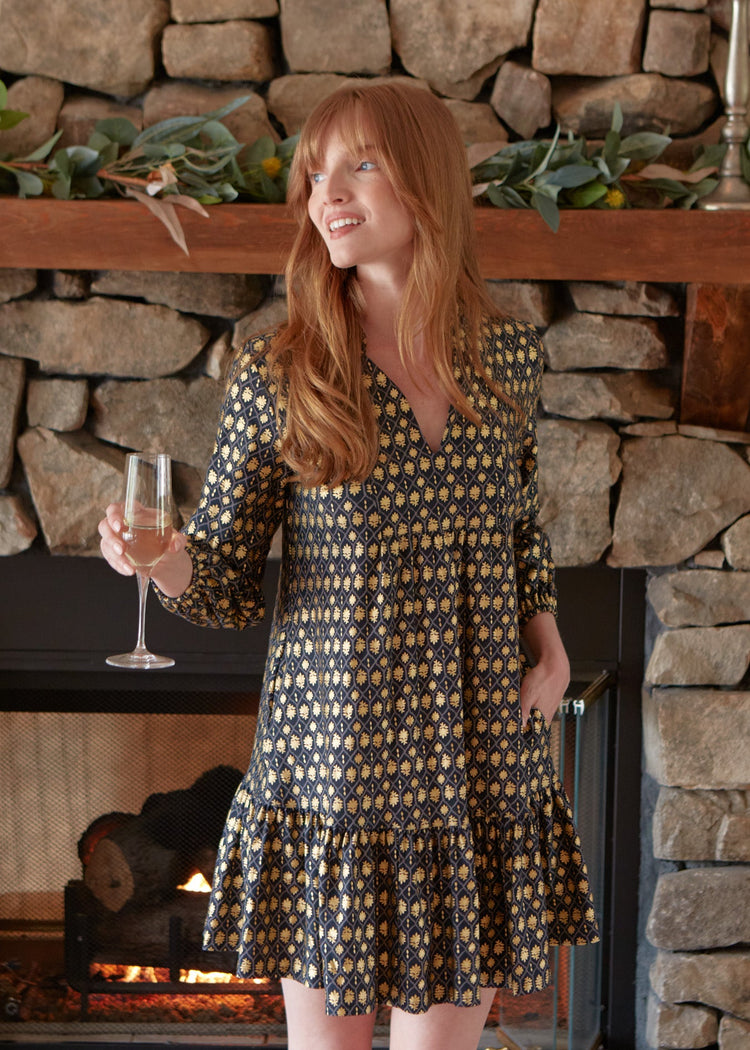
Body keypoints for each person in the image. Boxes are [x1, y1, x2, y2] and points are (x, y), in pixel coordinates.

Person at [98, 81, 599, 1050]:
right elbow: (232, 579)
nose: (327, 192)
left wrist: (551, 641)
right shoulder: (283, 375)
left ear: (427, 185)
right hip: (336, 773)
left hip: (474, 761)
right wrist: (160, 561)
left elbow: (518, 524)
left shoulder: (506, 361)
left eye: (359, 165)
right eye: (316, 173)